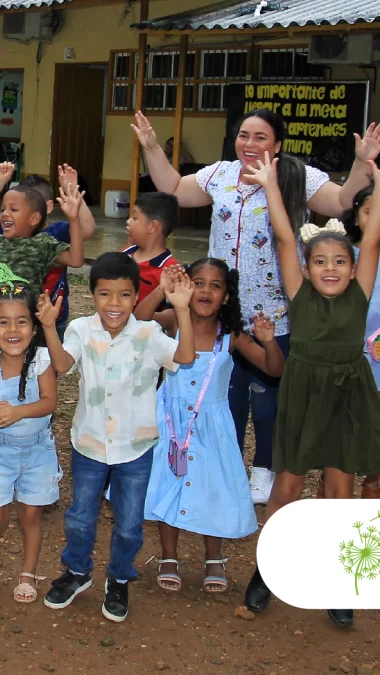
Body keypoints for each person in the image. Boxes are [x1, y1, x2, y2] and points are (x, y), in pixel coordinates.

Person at [132, 109, 380, 506]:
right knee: (224, 394)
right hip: (220, 307)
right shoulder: (221, 174)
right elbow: (175, 187)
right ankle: (218, 466)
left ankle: (264, 469)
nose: (250, 144)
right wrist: (151, 148)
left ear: (277, 144)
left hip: (276, 311)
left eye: (260, 137)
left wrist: (361, 162)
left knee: (270, 400)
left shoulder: (297, 176)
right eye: (244, 135)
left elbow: (342, 201)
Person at [242, 154, 380, 630]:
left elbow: (375, 234)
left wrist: (377, 179)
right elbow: (284, 235)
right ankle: (267, 570)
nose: (330, 268)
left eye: (340, 261)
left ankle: (340, 583)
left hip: (348, 396)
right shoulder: (298, 292)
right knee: (287, 487)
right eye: (320, 261)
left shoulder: (360, 293)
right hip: (303, 394)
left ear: (353, 266)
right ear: (306, 266)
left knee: (341, 493)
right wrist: (271, 188)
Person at [37, 252, 196, 622]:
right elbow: (62, 366)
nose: (114, 304)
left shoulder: (148, 334)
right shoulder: (79, 329)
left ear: (137, 296)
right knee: (79, 516)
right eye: (105, 294)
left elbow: (185, 356)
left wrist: (182, 309)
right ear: (92, 294)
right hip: (89, 443)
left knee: (128, 523)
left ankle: (120, 577)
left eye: (125, 295)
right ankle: (77, 572)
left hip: (135, 448)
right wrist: (48, 326)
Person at [135, 260, 284, 593]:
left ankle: (213, 556)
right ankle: (169, 555)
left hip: (211, 426)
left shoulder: (230, 335)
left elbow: (274, 369)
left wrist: (269, 342)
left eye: (215, 286)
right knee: (168, 483)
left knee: (212, 486)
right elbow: (139, 320)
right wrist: (163, 290)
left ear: (227, 297)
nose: (205, 291)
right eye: (198, 283)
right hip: (171, 420)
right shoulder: (174, 320)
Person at [0, 283, 58, 604]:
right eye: (3, 322)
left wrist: (18, 412)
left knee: (31, 515)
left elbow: (49, 402)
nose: (13, 329)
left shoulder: (42, 361)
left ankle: (28, 573)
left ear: (34, 329)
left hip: (38, 452)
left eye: (22, 321)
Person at [0, 155, 86, 308]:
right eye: (2, 209)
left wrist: (73, 218)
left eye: (13, 209)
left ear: (34, 218)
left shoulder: (43, 244)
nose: (5, 214)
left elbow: (76, 260)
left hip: (26, 325)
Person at [0, 166, 98, 340]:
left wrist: (73, 192)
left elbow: (88, 229)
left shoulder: (57, 233)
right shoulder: (9, 229)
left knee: (49, 362)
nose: (8, 214)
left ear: (47, 207)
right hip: (15, 317)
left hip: (53, 317)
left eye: (16, 208)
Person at [328, 185, 380, 499]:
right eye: (369, 211)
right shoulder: (340, 258)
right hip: (346, 363)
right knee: (342, 440)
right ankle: (334, 504)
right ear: (357, 217)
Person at [123, 192, 180, 304]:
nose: (128, 221)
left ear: (153, 226)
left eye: (134, 218)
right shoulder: (124, 254)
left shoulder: (170, 270)